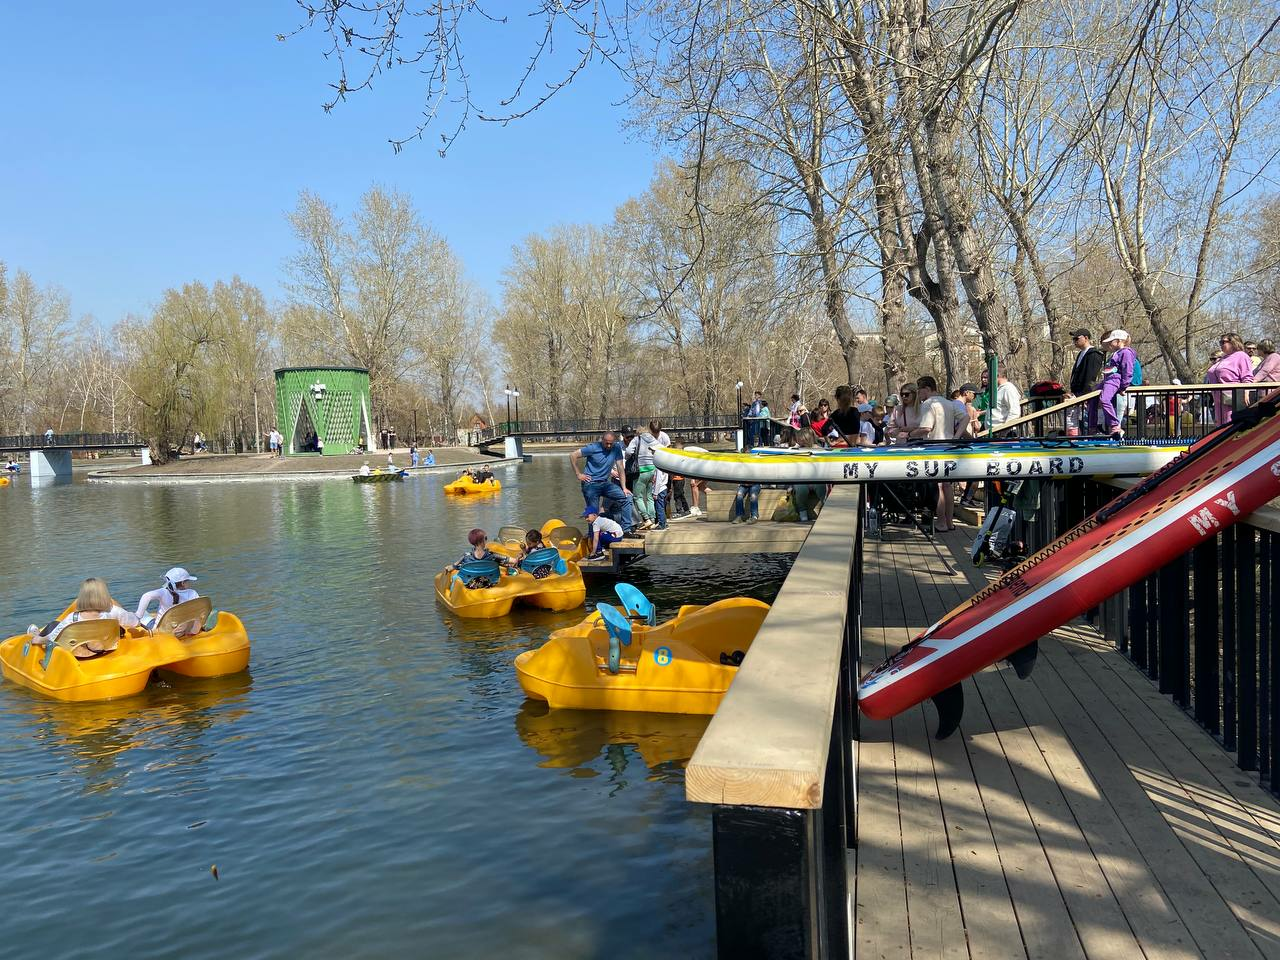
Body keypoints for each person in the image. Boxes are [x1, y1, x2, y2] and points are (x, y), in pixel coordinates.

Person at [26, 577, 141, 657]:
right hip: (103, 650)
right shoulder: (113, 612)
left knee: (53, 625)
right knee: (55, 626)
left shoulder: (72, 618)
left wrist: (37, 640)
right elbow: (135, 622)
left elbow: (53, 638)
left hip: (79, 655)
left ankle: (35, 634)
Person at [908, 376, 956, 531]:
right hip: (949, 448)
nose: (919, 395)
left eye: (919, 391)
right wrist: (956, 437)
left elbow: (926, 428)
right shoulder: (949, 403)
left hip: (934, 448)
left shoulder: (928, 404)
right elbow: (965, 418)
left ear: (927, 389)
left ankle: (941, 522)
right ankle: (950, 522)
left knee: (939, 486)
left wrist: (910, 435)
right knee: (948, 486)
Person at [569, 431, 634, 534]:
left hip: (604, 484)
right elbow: (573, 455)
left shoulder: (616, 448)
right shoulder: (593, 448)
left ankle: (626, 530)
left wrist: (624, 488)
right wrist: (578, 474)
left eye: (611, 443)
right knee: (593, 513)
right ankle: (593, 537)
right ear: (602, 440)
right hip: (590, 484)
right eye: (606, 443)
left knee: (627, 497)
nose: (608, 445)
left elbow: (620, 467)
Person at [1088, 330, 1136, 436]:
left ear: (1119, 341)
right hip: (1107, 380)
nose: (1109, 344)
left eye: (1111, 341)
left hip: (1115, 379)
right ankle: (1092, 426)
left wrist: (1123, 386)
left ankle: (1115, 425)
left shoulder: (1126, 352)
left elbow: (1127, 370)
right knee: (1092, 398)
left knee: (1104, 399)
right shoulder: (1116, 353)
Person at [625, 421, 669, 531]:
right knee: (649, 496)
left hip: (641, 471)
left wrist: (629, 456)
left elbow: (629, 451)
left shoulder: (637, 439)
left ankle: (646, 518)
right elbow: (662, 449)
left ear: (638, 433)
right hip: (652, 471)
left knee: (637, 496)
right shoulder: (653, 439)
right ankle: (653, 519)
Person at [1206, 331, 1255, 424]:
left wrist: (1246, 392)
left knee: (1230, 424)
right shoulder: (1224, 358)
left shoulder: (1241, 356)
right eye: (1220, 342)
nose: (1221, 344)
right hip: (1218, 398)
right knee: (1220, 426)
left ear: (1233, 342)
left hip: (1231, 397)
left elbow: (1247, 376)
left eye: (1223, 342)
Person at [135, 567, 201, 627]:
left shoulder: (164, 592)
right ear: (183, 583)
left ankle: (139, 616)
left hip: (162, 629)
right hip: (183, 627)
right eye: (188, 581)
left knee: (144, 615)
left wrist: (138, 616)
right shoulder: (192, 593)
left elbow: (146, 596)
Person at [446, 529, 516, 574]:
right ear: (483, 541)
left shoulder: (465, 557)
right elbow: (514, 561)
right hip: (490, 584)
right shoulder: (493, 556)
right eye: (486, 538)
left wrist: (452, 567)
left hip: (471, 585)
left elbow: (454, 566)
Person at [1067, 329, 1106, 399]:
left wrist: (1085, 396)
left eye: (1076, 338)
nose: (1074, 341)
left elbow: (1090, 378)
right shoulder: (1081, 354)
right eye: (1073, 339)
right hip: (1076, 394)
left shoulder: (1094, 354)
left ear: (1086, 338)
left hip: (1085, 396)